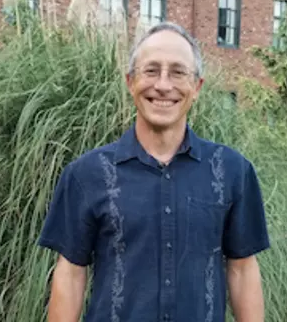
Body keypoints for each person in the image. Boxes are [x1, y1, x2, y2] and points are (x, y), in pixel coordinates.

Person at [37, 21, 270, 322]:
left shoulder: (233, 171)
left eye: (177, 72)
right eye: (151, 70)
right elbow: (70, 273)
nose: (163, 85)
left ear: (196, 87)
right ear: (130, 81)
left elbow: (242, 269)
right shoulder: (86, 175)